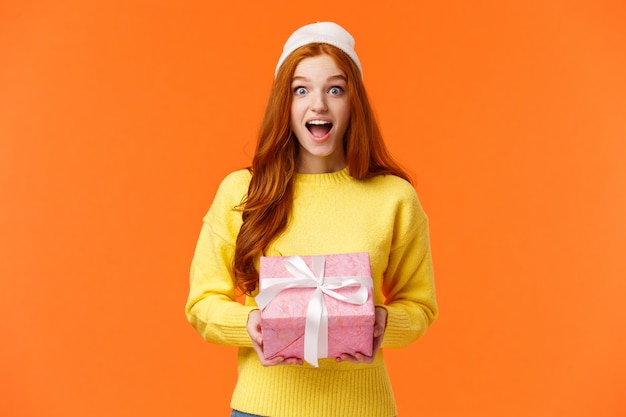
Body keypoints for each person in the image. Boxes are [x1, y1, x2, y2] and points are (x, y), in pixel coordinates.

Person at [185, 21, 438, 417]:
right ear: (283, 103)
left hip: (363, 409)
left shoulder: (394, 198)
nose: (318, 104)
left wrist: (383, 321)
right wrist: (250, 323)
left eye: (335, 89)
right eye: (300, 89)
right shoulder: (241, 192)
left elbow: (420, 307)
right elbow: (201, 302)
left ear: (354, 102)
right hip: (261, 410)